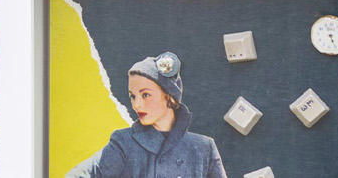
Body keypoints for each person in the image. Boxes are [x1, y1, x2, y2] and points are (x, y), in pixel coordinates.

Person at [68, 53, 227, 178]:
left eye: (145, 95)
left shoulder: (203, 147)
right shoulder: (124, 143)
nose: (136, 104)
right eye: (133, 96)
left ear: (169, 97)